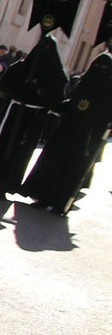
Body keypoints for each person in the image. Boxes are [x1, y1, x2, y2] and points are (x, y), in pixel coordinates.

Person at [0, 31, 69, 195]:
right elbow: (5, 84)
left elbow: (58, 99)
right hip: (13, 113)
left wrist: (39, 93)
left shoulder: (57, 76)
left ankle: (7, 185)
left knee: (21, 154)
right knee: (4, 146)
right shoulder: (21, 67)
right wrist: (21, 90)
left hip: (34, 119)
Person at [22, 52, 112, 214]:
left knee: (72, 170)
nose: (99, 70)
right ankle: (44, 197)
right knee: (54, 163)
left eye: (104, 68)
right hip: (68, 130)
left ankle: (61, 203)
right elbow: (72, 102)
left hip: (87, 136)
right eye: (97, 66)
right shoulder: (83, 83)